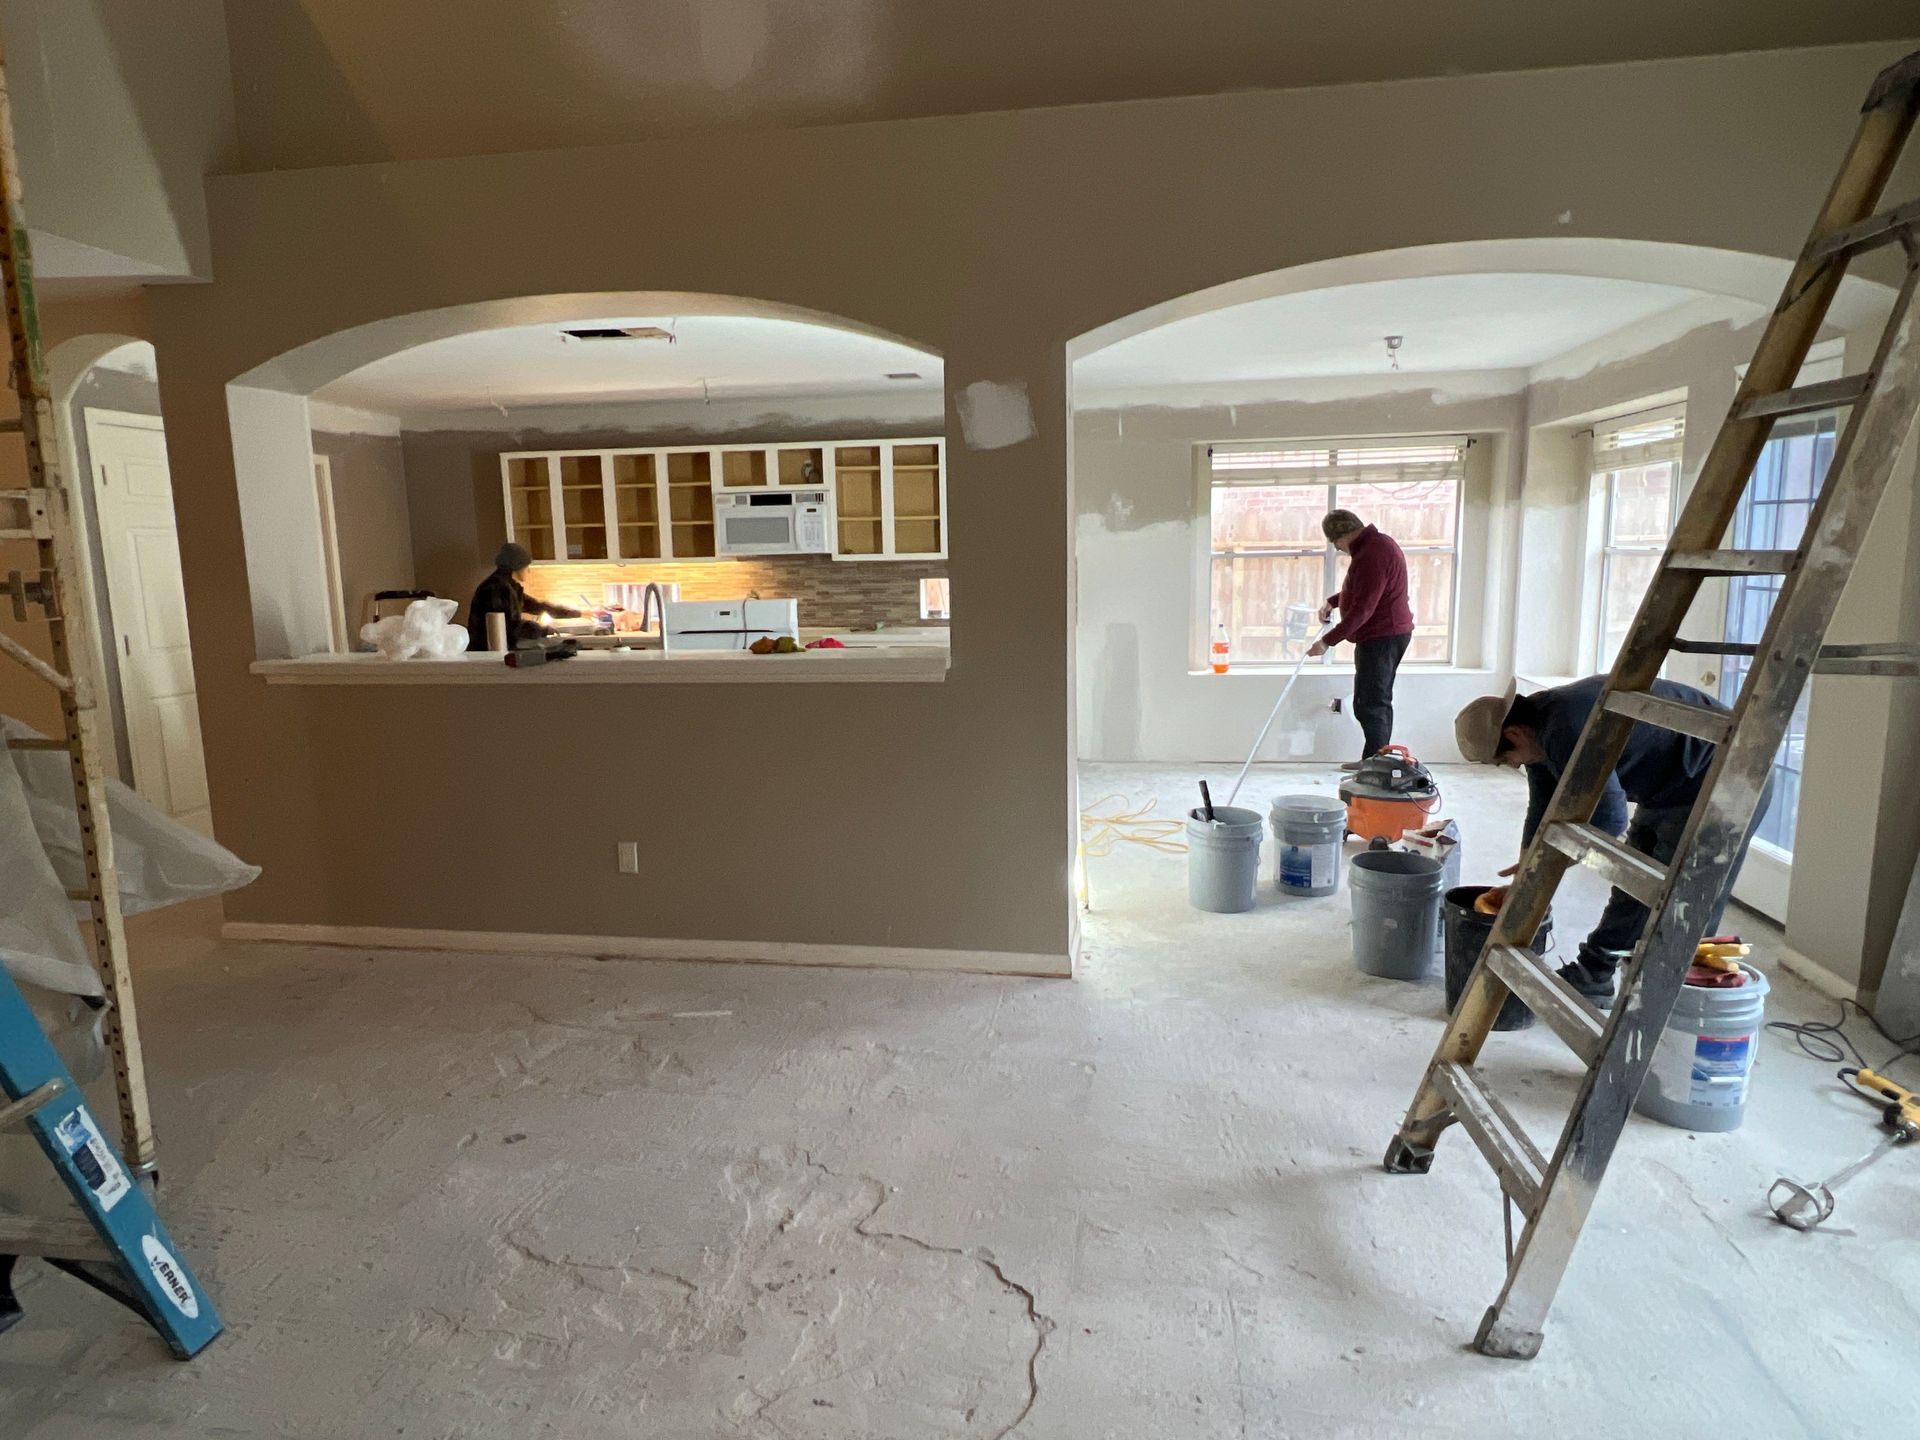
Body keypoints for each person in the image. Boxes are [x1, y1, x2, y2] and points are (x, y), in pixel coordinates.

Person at [1454, 676, 1770, 1005]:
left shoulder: (1566, 725)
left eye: (1506, 758)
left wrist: (1546, 871)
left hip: (1728, 777)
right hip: (1670, 785)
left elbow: (1608, 820)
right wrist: (1527, 870)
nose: (1513, 764)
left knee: (1683, 903)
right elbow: (1542, 807)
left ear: (1513, 733)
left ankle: (1675, 1006)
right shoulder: (1537, 726)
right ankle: (1594, 974)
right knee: (1632, 887)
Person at [1310, 509, 1414, 767]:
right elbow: (1364, 589)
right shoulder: (1377, 545)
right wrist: (1333, 602)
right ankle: (1375, 760)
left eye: (1336, 545)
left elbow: (1363, 609)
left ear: (1341, 537)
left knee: (1372, 703)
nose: (1339, 549)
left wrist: (1326, 642)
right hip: (1386, 634)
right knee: (1372, 700)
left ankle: (1376, 766)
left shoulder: (1371, 554)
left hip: (1382, 637)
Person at [466, 542, 583, 650]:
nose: (529, 571)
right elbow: (511, 626)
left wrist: (580, 613)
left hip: (497, 650)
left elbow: (538, 606)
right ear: (517, 566)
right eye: (527, 567)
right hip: (487, 653)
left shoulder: (508, 586)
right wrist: (543, 630)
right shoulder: (497, 588)